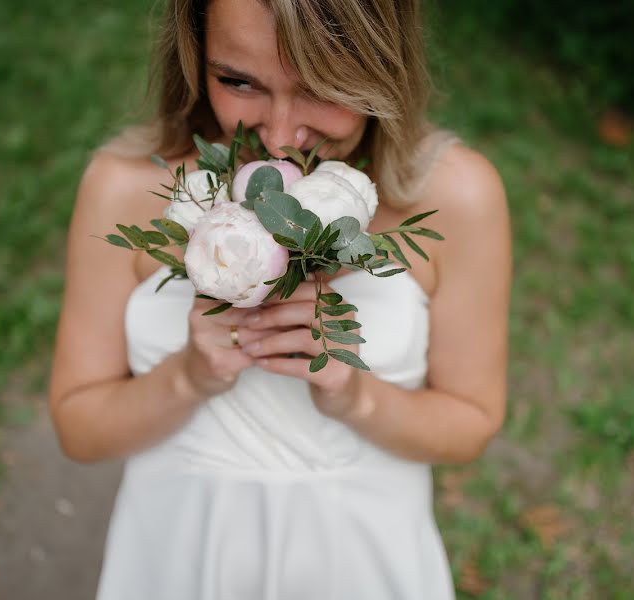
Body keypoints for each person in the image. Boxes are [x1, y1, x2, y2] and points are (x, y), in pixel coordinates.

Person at [49, 0, 511, 597]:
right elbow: (79, 430)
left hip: (362, 563)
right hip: (179, 558)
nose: (279, 135)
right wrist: (188, 377)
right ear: (193, 56)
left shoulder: (457, 197)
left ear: (381, 67)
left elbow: (470, 424)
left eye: (322, 88)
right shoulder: (127, 188)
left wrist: (355, 396)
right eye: (239, 81)